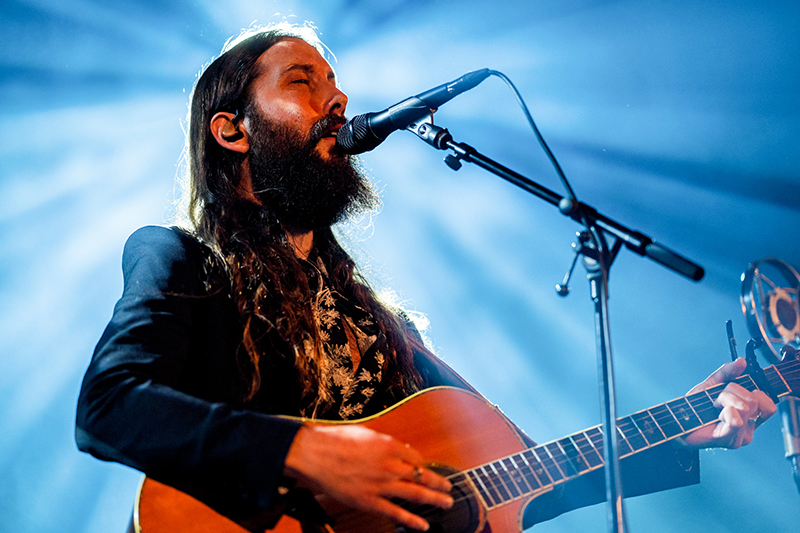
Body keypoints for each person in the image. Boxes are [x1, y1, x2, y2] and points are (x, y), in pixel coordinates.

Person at [75, 23, 776, 532]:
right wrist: (301, 452)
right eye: (303, 81)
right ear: (232, 130)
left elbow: (524, 477)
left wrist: (682, 434)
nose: (339, 100)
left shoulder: (382, 326)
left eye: (337, 84)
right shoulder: (183, 262)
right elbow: (108, 404)